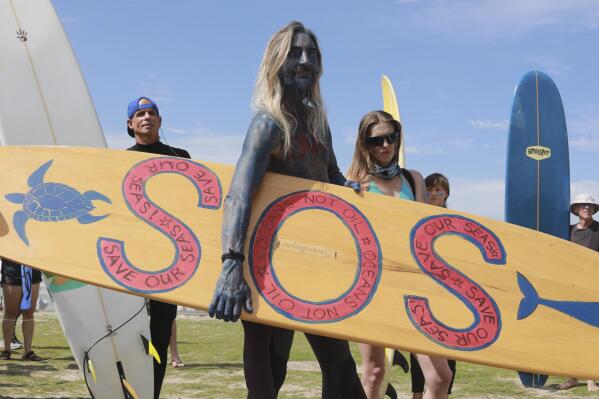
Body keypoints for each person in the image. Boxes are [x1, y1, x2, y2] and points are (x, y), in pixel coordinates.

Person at [208, 21, 365, 399]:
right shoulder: (268, 124)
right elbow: (239, 195)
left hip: (312, 267)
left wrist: (350, 189)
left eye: (312, 54)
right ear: (276, 61)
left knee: (341, 372)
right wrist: (231, 265)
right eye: (295, 53)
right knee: (267, 380)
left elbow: (330, 178)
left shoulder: (318, 125)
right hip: (264, 270)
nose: (305, 61)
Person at [347, 111, 452, 399]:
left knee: (440, 377)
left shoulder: (413, 179)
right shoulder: (355, 182)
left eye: (390, 138)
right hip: (372, 287)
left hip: (412, 287)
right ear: (365, 144)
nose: (385, 145)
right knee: (374, 374)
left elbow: (424, 234)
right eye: (377, 140)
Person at [126, 96, 191, 398]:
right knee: (130, 334)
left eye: (152, 113)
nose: (147, 117)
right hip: (129, 262)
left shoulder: (181, 157)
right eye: (140, 113)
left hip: (169, 262)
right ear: (131, 124)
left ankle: (151, 393)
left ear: (160, 121)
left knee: (159, 337)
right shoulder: (120, 161)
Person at [406, 173, 457, 399]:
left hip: (448, 295)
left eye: (439, 190)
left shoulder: (456, 220)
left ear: (447, 193)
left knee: (449, 349)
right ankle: (417, 393)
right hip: (421, 290)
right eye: (430, 189)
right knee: (419, 347)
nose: (434, 193)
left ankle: (444, 394)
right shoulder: (417, 217)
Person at [559, 193, 599, 392]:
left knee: (590, 333)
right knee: (570, 334)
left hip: (593, 287)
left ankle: (591, 378)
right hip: (570, 287)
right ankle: (572, 377)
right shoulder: (568, 231)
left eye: (590, 205)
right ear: (575, 210)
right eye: (583, 205)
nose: (587, 208)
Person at [1, 258, 42, 361]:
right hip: (12, 270)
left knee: (29, 313)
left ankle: (28, 351)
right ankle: (7, 350)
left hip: (33, 268)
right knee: (10, 312)